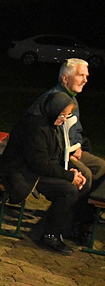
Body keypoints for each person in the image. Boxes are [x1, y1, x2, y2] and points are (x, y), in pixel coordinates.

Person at [0, 92, 89, 255]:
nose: (64, 119)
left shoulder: (52, 125)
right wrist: (69, 177)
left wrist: (70, 171)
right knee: (68, 190)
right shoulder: (35, 126)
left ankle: (60, 229)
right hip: (21, 172)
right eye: (62, 114)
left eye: (67, 115)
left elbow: (56, 155)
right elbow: (39, 163)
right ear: (53, 109)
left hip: (36, 170)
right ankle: (50, 236)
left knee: (80, 181)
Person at [31, 58, 105, 242]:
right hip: (57, 153)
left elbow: (75, 130)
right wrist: (70, 150)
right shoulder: (54, 100)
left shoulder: (71, 98)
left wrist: (77, 146)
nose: (85, 80)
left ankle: (84, 217)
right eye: (81, 75)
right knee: (85, 174)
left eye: (86, 76)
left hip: (71, 149)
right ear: (65, 78)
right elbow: (46, 136)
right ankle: (69, 224)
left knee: (101, 167)